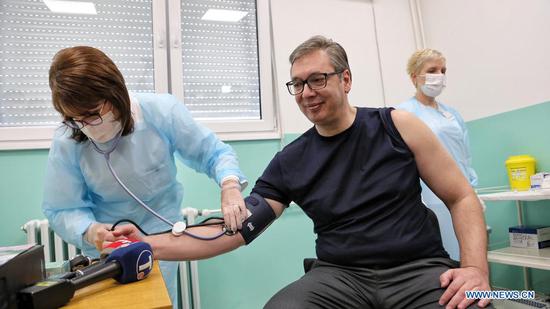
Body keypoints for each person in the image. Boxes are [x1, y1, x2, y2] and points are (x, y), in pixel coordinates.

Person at [110, 36, 492, 309]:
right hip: (340, 277)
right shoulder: (290, 161)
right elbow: (236, 231)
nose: (307, 92)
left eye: (318, 79)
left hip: (418, 271)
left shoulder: (397, 125)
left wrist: (475, 269)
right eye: (297, 84)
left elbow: (461, 197)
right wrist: (146, 243)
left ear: (345, 80)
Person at [42, 46, 248, 307]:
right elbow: (62, 208)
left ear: (114, 92)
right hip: (108, 254)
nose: (86, 126)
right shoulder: (67, 141)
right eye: (76, 119)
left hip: (161, 244)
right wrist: (90, 231)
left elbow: (213, 153)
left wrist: (229, 184)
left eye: (92, 114)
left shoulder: (161, 112)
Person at [396, 48, 478, 260]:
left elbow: (465, 156)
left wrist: (472, 190)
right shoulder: (403, 114)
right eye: (432, 70)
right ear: (415, 76)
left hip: (461, 194)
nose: (439, 75)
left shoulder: (451, 114)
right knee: (439, 260)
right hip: (427, 198)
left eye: (443, 70)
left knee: (468, 256)